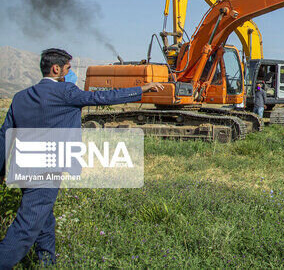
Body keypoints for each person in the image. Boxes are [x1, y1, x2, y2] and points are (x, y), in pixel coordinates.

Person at [0, 48, 163, 268]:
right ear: (57, 69)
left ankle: (46, 262)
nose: (70, 73)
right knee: (26, 226)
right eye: (68, 68)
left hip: (23, 169)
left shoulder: (20, 97)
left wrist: (1, 170)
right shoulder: (66, 92)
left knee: (44, 216)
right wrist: (141, 89)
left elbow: (4, 135)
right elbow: (101, 97)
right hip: (46, 170)